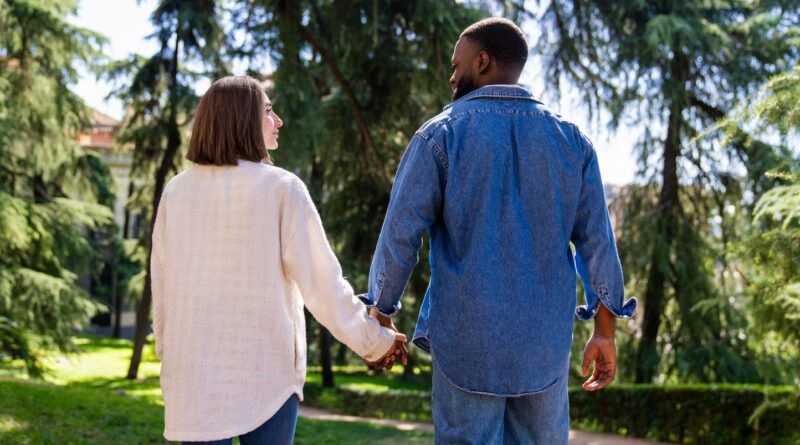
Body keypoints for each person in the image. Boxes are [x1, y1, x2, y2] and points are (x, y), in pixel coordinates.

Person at [361, 18, 637, 444]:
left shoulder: (440, 134)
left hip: (466, 342)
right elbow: (597, 243)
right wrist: (604, 331)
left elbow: (400, 235)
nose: (452, 77)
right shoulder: (572, 141)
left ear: (483, 61)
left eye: (457, 66)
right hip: (542, 348)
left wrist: (380, 314)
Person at [150, 76, 406, 445]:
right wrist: (375, 342)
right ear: (242, 120)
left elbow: (163, 287)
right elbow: (323, 285)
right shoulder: (282, 188)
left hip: (193, 377)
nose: (279, 120)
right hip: (266, 374)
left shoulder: (177, 191)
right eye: (268, 110)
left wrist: (168, 355)